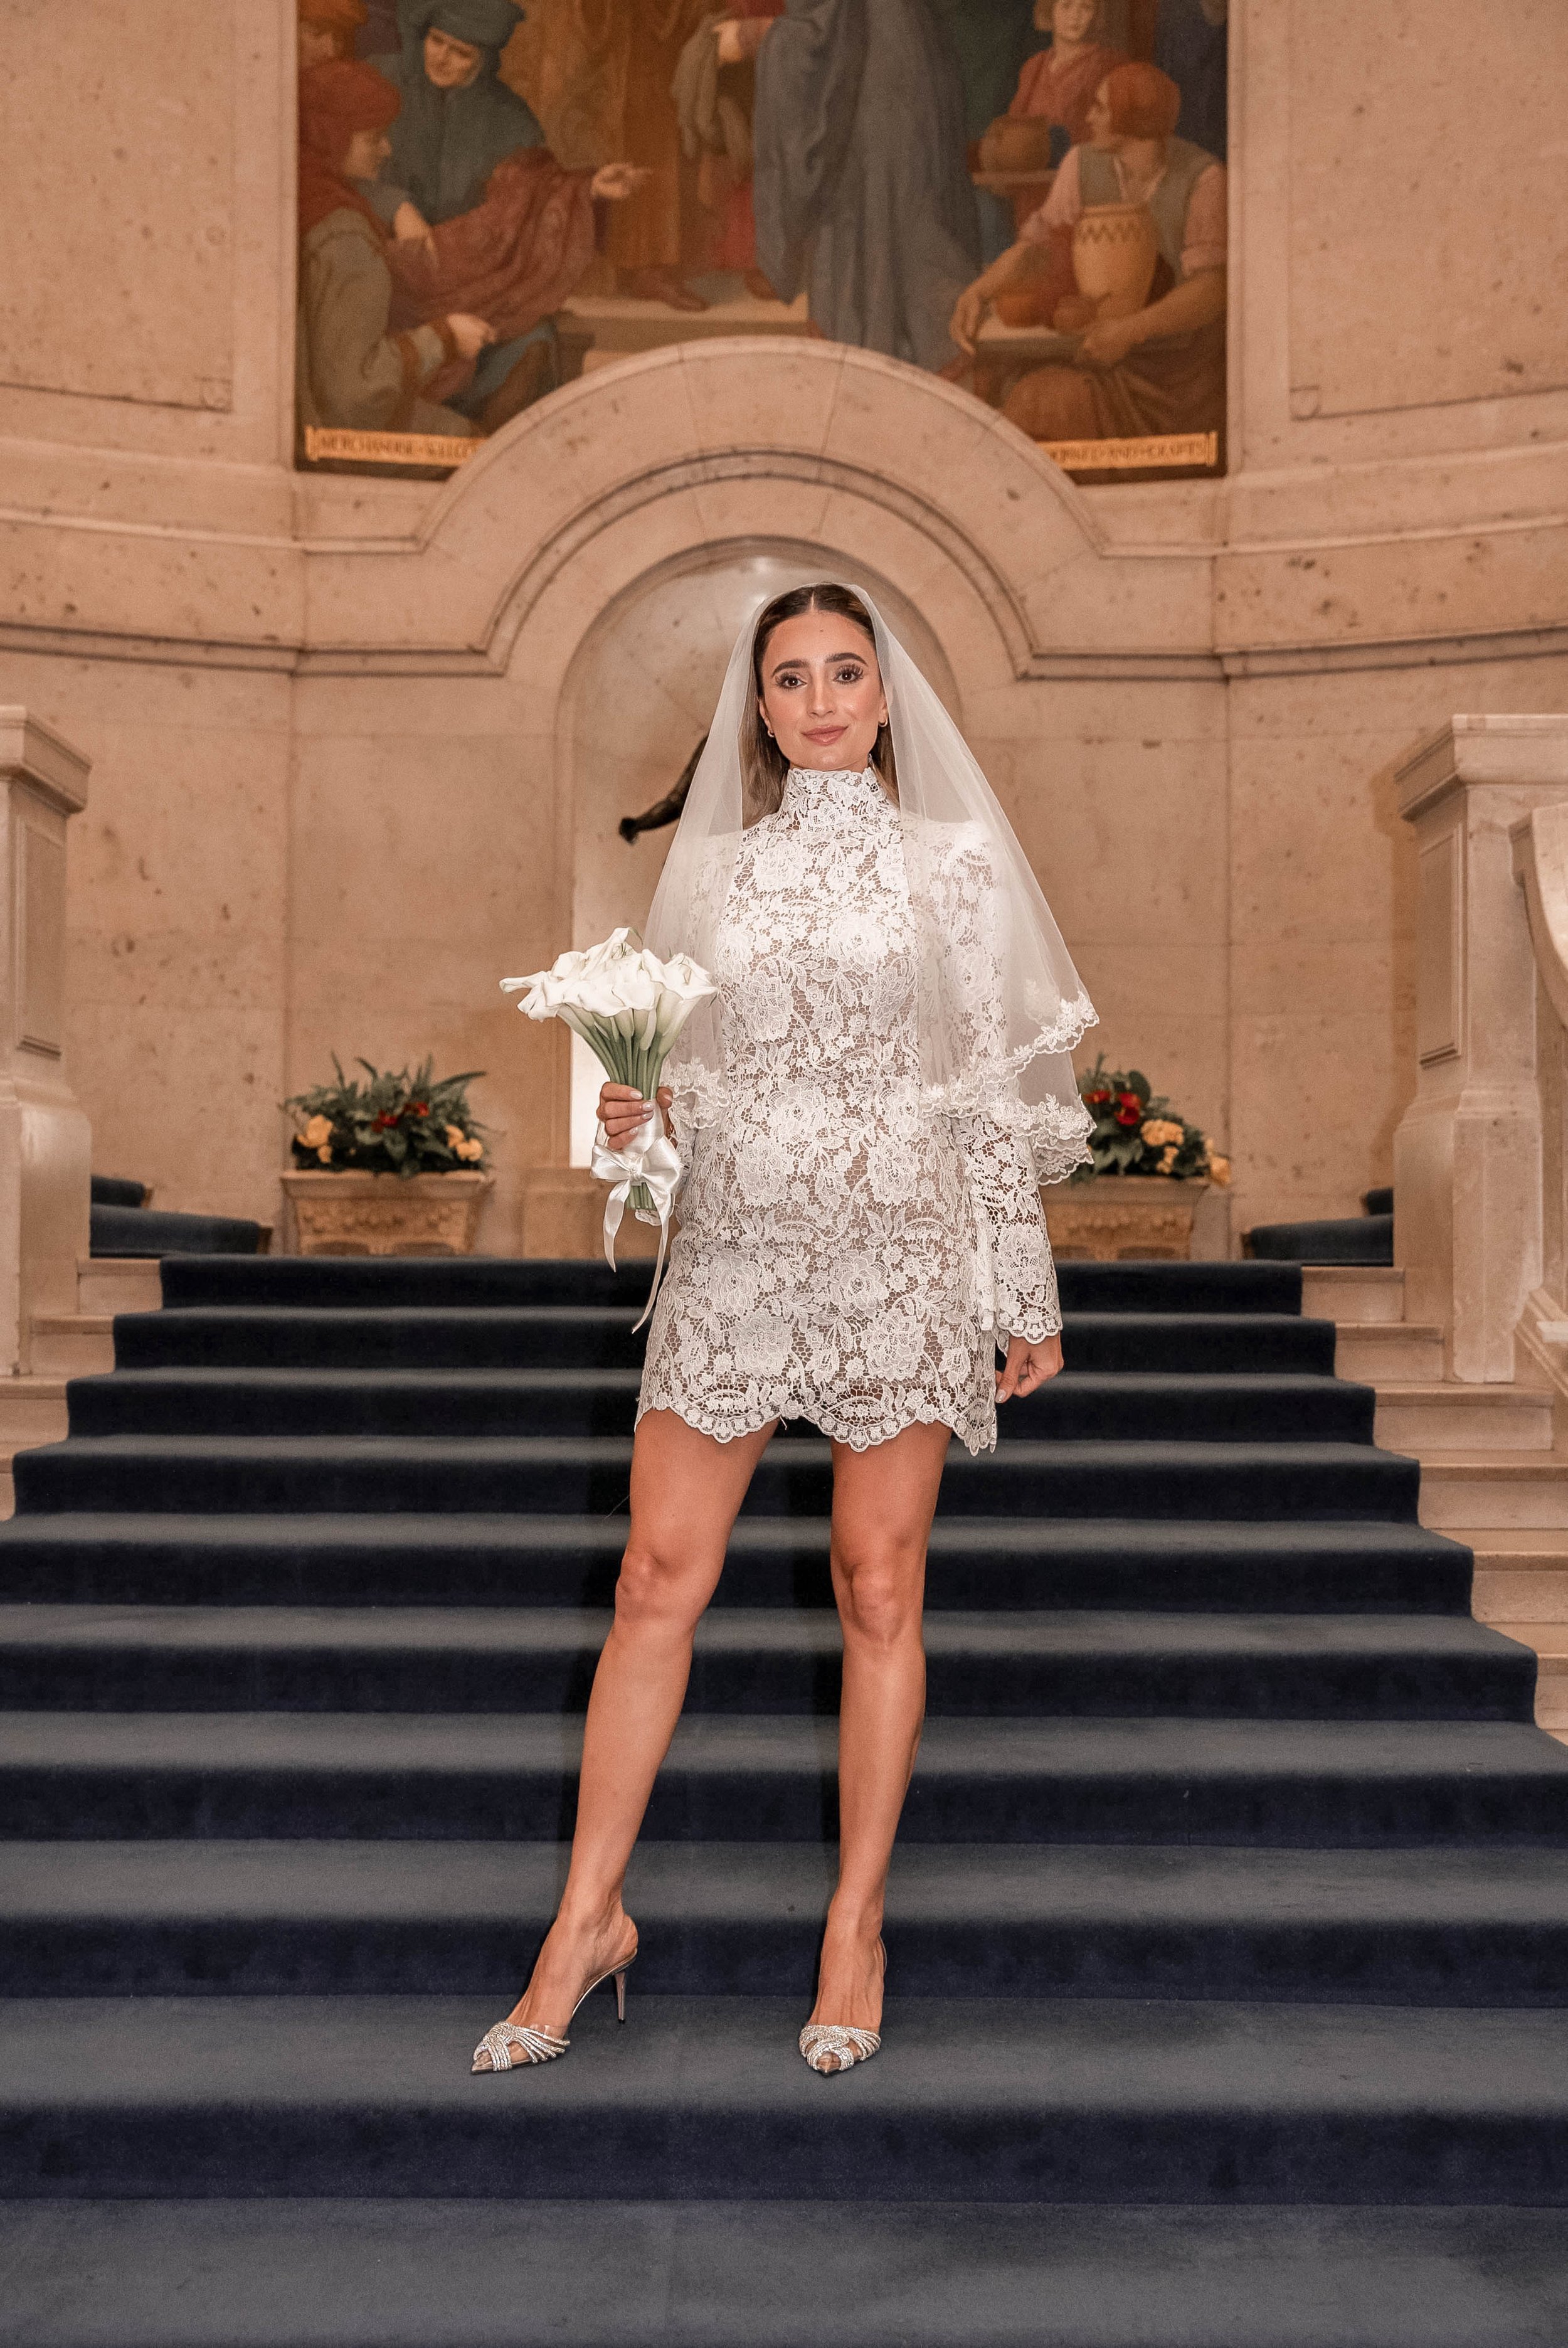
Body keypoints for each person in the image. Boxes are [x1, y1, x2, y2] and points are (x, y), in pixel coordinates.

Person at [472, 582, 1095, 2080]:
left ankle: (855, 1926)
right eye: (790, 677)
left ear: (886, 698)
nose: (819, 698)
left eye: (845, 673)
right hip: (740, 1249)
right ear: (756, 708)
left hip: (901, 1247)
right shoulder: (717, 877)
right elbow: (676, 1107)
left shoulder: (953, 865)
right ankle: (585, 1919)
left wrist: (1023, 1286)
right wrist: (637, 1115)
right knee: (650, 1577)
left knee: (879, 1586)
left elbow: (982, 1086)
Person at [950, 61, 1227, 449]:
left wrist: (1132, 330)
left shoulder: (1203, 179)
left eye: (1101, 107)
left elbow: (1211, 289)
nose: (1089, 117)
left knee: (1040, 404)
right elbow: (1035, 251)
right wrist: (980, 291)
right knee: (1024, 401)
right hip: (1102, 358)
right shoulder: (1081, 165)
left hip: (1177, 376)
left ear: (1132, 117)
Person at [749, 0, 982, 371]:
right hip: (894, 76)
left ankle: (883, 354)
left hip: (871, 90)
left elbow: (823, 31)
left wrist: (763, 38)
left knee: (884, 212)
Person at [296, 60, 492, 437]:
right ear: (331, 139)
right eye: (374, 138)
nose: (387, 150)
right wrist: (446, 338)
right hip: (333, 438)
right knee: (480, 448)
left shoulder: (302, 201)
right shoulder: (345, 239)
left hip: (299, 422)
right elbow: (354, 398)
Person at [1001, 0, 1125, 163]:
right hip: (1031, 169)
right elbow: (1014, 125)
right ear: (1050, 10)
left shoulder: (1106, 64)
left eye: (1086, 8)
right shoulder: (1034, 66)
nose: (1076, 16)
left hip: (1084, 167)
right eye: (1067, 5)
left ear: (1094, 15)